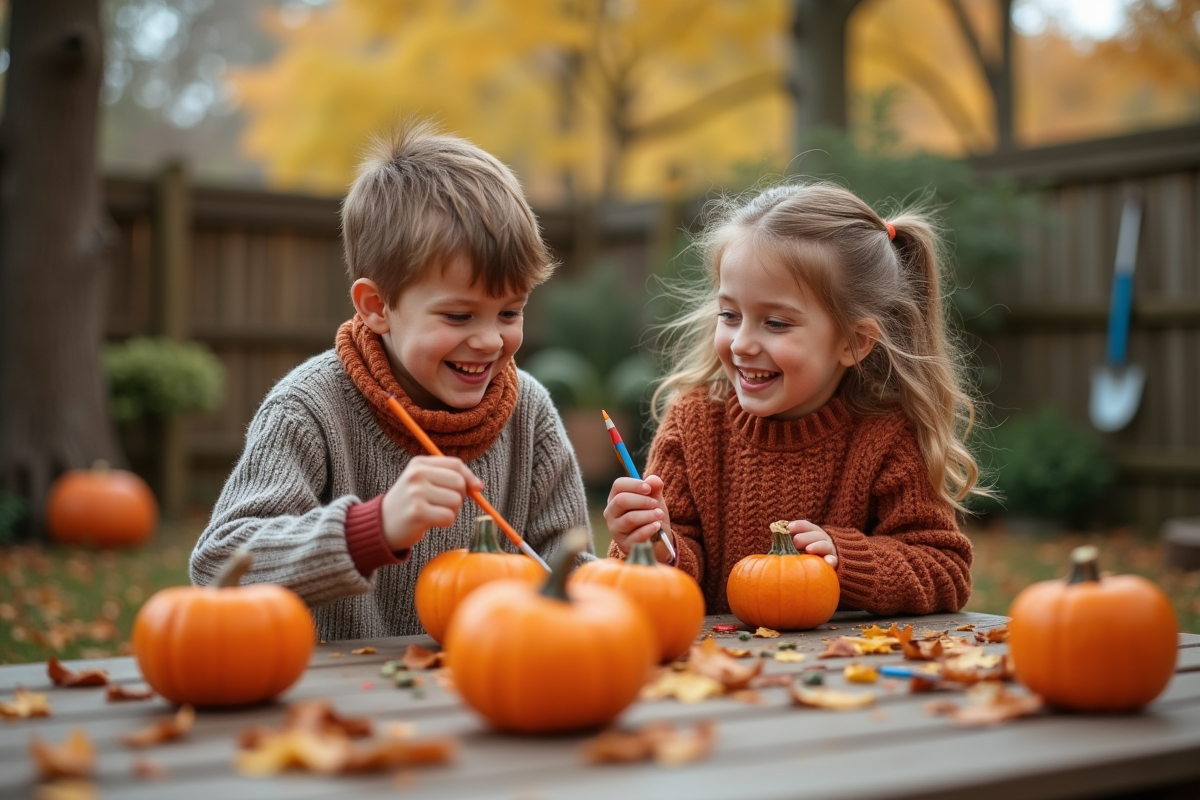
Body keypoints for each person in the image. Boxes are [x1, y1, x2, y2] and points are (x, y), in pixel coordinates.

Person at [190, 119, 590, 640]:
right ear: (377, 307)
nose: (490, 340)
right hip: (340, 684)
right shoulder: (309, 409)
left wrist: (631, 557)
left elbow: (567, 576)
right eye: (459, 316)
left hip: (495, 675)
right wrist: (370, 529)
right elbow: (217, 565)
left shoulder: (529, 413)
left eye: (510, 313)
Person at [604, 182, 983, 616]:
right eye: (729, 315)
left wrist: (844, 560)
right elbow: (672, 571)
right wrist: (654, 548)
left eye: (776, 323)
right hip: (715, 657)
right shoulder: (695, 423)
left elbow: (945, 569)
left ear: (855, 342)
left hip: (840, 659)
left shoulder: (885, 437)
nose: (741, 343)